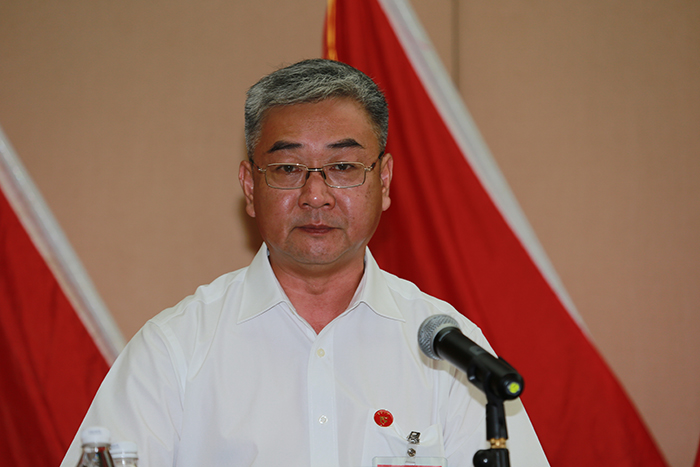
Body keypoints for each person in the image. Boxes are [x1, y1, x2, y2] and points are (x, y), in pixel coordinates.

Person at [61, 58, 549, 467]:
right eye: (288, 168)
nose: (316, 195)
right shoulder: (174, 351)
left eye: (343, 167)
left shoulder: (451, 351)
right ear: (250, 186)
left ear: (384, 181)